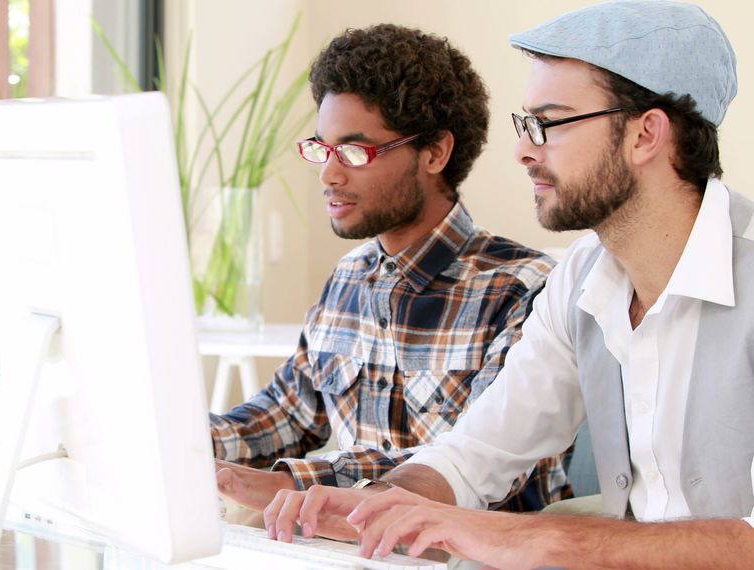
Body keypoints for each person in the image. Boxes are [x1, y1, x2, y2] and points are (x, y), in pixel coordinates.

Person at [263, 2, 754, 567]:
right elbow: (476, 455)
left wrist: (523, 538)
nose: (523, 149)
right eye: (527, 124)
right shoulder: (582, 277)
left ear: (646, 134)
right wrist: (375, 508)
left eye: (550, 122)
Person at [210, 23, 571, 522]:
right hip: (353, 543)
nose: (329, 174)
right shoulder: (350, 277)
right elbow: (289, 413)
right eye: (322, 148)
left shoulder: (522, 289)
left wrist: (292, 482)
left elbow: (473, 466)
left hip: (470, 551)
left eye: (356, 151)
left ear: (435, 152)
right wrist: (189, 444)